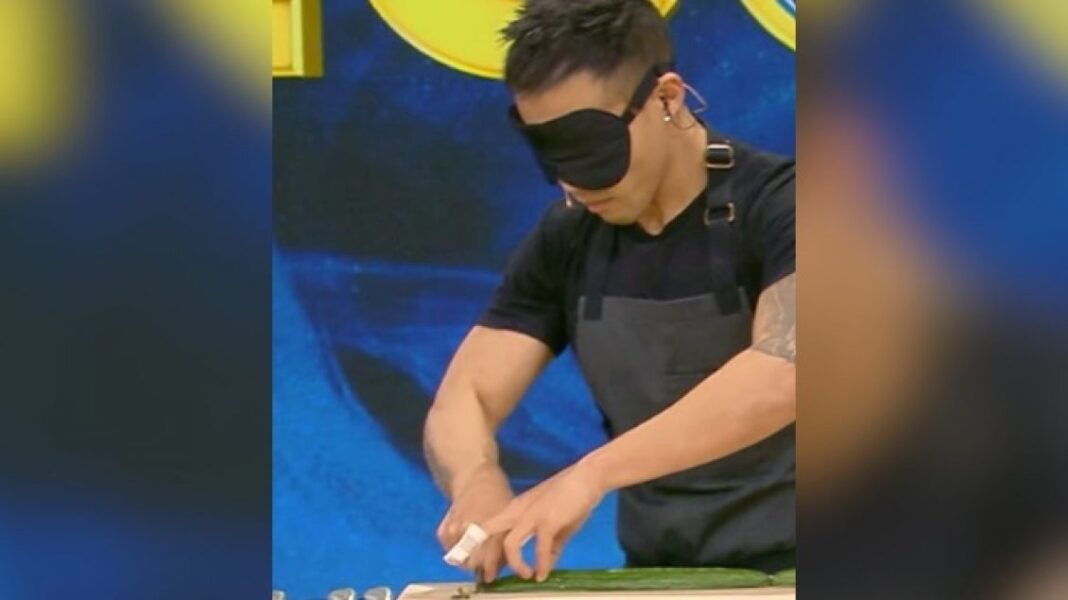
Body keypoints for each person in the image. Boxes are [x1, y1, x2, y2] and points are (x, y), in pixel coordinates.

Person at [423, 0, 795, 584]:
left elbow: (785, 371)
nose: (572, 185)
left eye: (591, 149)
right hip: (665, 579)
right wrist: (475, 480)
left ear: (667, 98)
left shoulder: (787, 206)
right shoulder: (568, 238)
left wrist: (590, 474)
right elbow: (464, 397)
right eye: (552, 157)